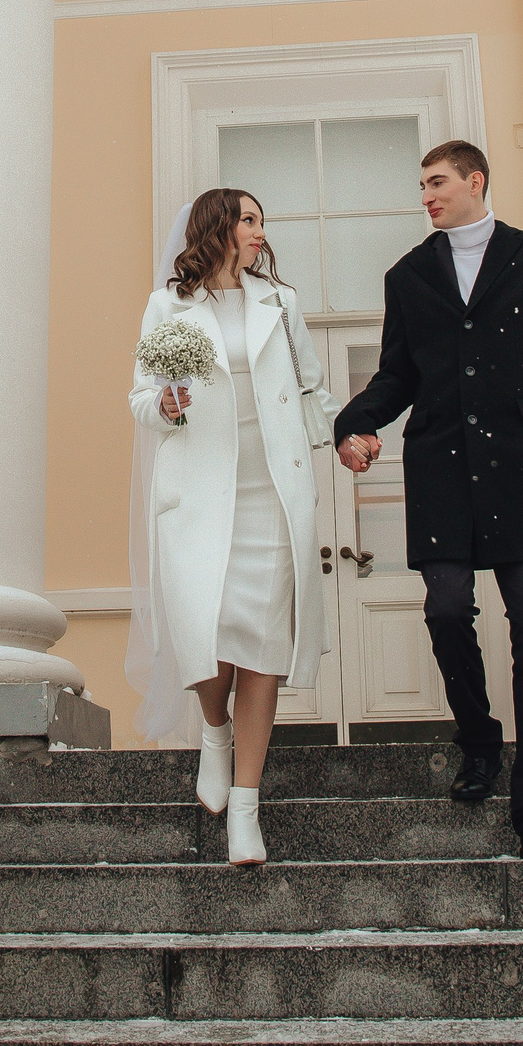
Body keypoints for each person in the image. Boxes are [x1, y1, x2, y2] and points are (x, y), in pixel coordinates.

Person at [335, 141, 523, 863]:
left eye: (437, 182)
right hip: (440, 469)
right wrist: (355, 422)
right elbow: (397, 374)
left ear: (475, 180)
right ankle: (479, 735)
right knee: (443, 607)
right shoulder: (408, 275)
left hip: (522, 467)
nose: (426, 195)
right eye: (422, 184)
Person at [127, 188, 340, 865]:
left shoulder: (282, 302)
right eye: (249, 219)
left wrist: (345, 437)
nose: (258, 232)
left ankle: (245, 807)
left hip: (271, 493)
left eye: (260, 221)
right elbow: (141, 396)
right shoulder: (170, 306)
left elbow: (312, 388)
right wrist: (165, 400)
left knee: (262, 645)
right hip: (200, 492)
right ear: (218, 228)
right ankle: (212, 731)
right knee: (206, 631)